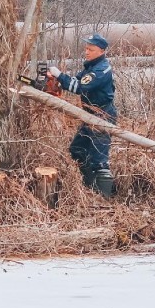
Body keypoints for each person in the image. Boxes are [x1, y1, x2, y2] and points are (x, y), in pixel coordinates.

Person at [47, 33, 117, 197]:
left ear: (101, 51)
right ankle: (89, 188)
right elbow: (73, 81)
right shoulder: (91, 66)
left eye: (90, 49)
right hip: (90, 114)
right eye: (86, 49)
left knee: (100, 160)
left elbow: (79, 87)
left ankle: (104, 198)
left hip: (103, 115)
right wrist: (56, 81)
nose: (86, 52)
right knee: (77, 149)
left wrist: (59, 74)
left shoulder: (100, 70)